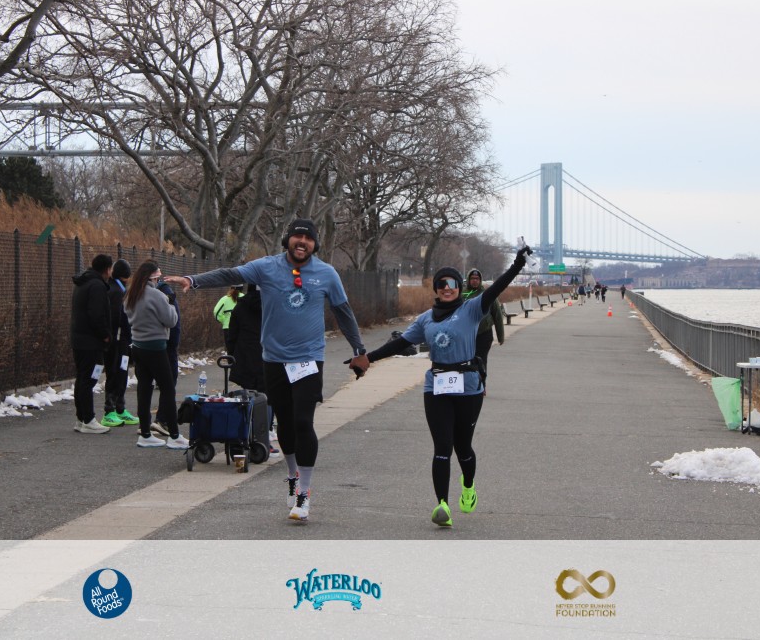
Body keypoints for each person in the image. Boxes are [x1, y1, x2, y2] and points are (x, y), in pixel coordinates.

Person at [165, 218, 370, 522]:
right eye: (298, 237)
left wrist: (359, 350)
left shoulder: (327, 273)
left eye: (309, 239)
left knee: (303, 421)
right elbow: (231, 274)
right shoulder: (266, 267)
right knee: (284, 423)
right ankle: (292, 475)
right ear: (288, 240)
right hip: (274, 359)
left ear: (315, 244)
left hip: (308, 360)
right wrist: (193, 280)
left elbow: (343, 311)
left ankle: (304, 493)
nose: (303, 242)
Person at [363, 245, 530, 527]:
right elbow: (400, 344)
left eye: (452, 283)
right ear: (436, 290)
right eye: (441, 284)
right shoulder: (425, 319)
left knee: (463, 447)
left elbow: (496, 289)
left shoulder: (471, 309)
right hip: (437, 387)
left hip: (468, 386)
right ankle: (442, 505)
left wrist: (517, 265)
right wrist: (367, 359)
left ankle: (468, 485)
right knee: (442, 446)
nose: (447, 288)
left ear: (459, 287)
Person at [124, 260, 189, 449]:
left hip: (137, 345)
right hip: (156, 346)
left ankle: (145, 433)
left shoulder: (131, 294)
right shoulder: (157, 295)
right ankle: (174, 436)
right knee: (168, 389)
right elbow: (171, 320)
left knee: (144, 389)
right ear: (153, 278)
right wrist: (170, 303)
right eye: (158, 278)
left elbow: (127, 315)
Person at [226, 284, 280, 457]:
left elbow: (232, 334)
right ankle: (264, 439)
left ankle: (244, 436)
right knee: (266, 399)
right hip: (269, 357)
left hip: (245, 358)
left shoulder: (240, 306)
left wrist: (232, 354)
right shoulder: (274, 305)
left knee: (247, 396)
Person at [70, 254, 113, 434]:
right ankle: (88, 419)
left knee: (82, 378)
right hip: (91, 342)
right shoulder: (97, 286)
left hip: (79, 339)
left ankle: (81, 418)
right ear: (107, 269)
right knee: (89, 379)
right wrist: (105, 335)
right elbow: (96, 314)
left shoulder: (83, 283)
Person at [101, 259, 138, 428]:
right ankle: (110, 410)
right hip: (117, 341)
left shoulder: (118, 289)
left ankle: (120, 408)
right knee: (115, 374)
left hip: (122, 340)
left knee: (122, 374)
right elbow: (117, 317)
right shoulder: (116, 291)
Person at [461, 269, 505, 390]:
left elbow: (497, 315)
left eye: (477, 279)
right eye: (472, 279)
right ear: (468, 280)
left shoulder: (487, 294)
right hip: (466, 334)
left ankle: (481, 385)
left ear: (480, 280)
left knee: (481, 360)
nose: (474, 281)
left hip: (484, 334)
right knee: (466, 360)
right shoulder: (462, 295)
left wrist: (500, 336)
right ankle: (467, 385)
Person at [152, 271, 182, 437]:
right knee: (169, 382)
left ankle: (146, 423)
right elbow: (172, 321)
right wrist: (174, 343)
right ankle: (163, 420)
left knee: (146, 385)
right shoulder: (165, 294)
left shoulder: (138, 293)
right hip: (164, 343)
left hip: (143, 343)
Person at [213, 286, 243, 351]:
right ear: (242, 288)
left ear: (231, 288)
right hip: (243, 328)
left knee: (231, 351)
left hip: (228, 328)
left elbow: (216, 312)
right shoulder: (245, 298)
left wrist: (224, 321)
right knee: (242, 351)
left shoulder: (225, 299)